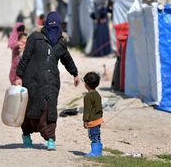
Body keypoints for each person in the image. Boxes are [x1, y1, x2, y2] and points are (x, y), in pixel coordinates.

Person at [15, 11, 80, 151]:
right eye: (52, 25)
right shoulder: (34, 38)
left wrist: (75, 73)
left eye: (56, 26)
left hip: (51, 82)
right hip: (32, 79)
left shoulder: (61, 42)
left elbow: (66, 59)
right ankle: (26, 135)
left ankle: (50, 139)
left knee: (50, 108)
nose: (53, 29)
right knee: (30, 108)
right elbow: (25, 57)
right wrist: (19, 76)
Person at [83, 72, 104, 157]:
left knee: (94, 136)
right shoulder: (97, 94)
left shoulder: (88, 96)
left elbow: (87, 110)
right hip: (98, 119)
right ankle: (98, 152)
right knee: (97, 136)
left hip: (92, 121)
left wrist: (85, 120)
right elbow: (100, 107)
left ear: (86, 84)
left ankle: (95, 153)